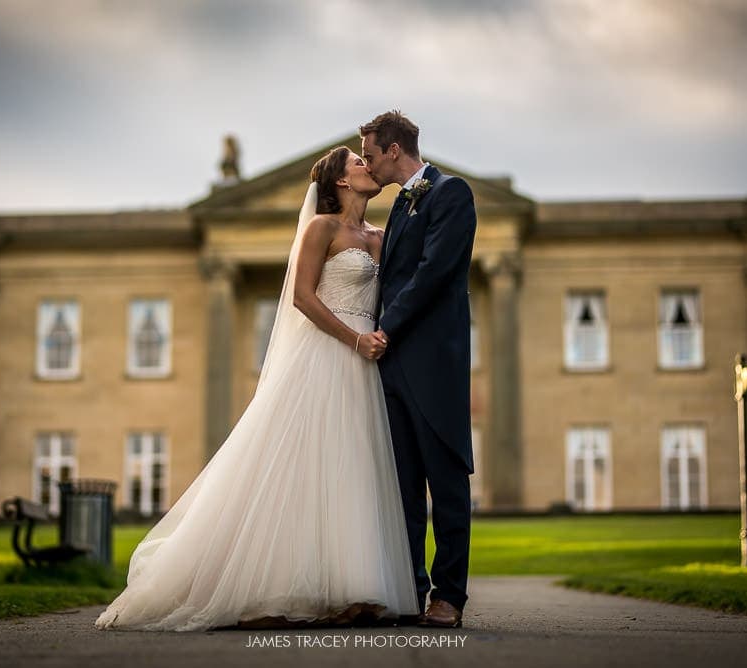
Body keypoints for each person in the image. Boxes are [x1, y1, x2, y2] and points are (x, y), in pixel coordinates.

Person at [94, 146, 419, 631]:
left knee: (352, 464)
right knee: (300, 463)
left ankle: (356, 589)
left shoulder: (381, 234)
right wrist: (354, 339)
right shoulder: (320, 228)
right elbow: (302, 298)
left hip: (365, 365)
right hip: (328, 354)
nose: (367, 167)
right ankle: (278, 584)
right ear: (340, 182)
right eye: (357, 163)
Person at [360, 110, 477, 629]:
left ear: (392, 150)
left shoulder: (451, 194)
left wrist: (386, 327)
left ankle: (449, 596)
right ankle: (411, 589)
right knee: (403, 487)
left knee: (446, 484)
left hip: (434, 365)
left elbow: (433, 273)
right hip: (393, 369)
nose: (366, 164)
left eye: (369, 154)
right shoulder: (398, 210)